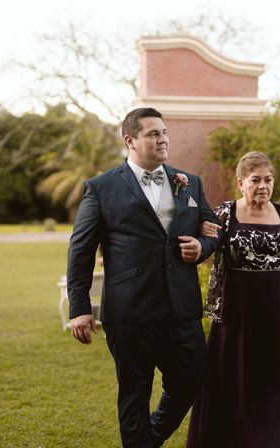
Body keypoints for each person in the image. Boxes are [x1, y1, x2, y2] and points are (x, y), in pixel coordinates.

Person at [67, 107, 222, 448]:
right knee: (134, 393)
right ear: (130, 141)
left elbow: (214, 229)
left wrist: (203, 245)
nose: (163, 138)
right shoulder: (101, 188)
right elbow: (80, 251)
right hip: (130, 311)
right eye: (153, 133)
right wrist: (80, 307)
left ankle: (147, 440)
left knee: (191, 380)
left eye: (164, 132)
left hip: (181, 308)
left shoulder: (189, 182)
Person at [187, 151, 280, 448]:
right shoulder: (225, 213)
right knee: (234, 377)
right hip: (237, 310)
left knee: (279, 378)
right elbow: (206, 243)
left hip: (279, 311)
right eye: (255, 180)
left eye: (268, 180)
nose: (263, 186)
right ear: (241, 183)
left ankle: (278, 439)